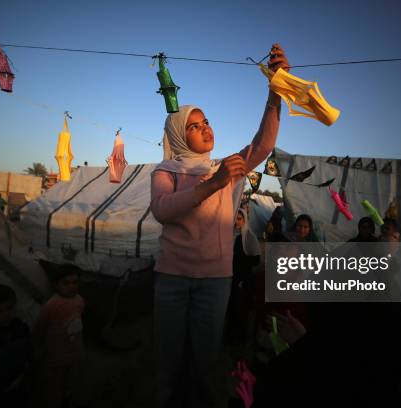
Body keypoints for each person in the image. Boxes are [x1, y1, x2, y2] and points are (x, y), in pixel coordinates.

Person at [150, 43, 289, 408]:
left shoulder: (226, 166)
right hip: (173, 278)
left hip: (215, 279)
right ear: (180, 135)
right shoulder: (167, 170)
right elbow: (162, 210)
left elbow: (264, 142)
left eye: (206, 121)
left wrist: (276, 91)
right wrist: (212, 184)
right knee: (169, 357)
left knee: (205, 357)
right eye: (194, 126)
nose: (205, 129)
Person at [32, 264, 85, 408]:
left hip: (74, 347)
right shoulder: (52, 305)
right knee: (56, 377)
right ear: (56, 285)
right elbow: (40, 326)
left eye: (75, 282)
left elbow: (78, 320)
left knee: (71, 374)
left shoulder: (79, 300)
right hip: (56, 350)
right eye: (66, 283)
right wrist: (38, 346)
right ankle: (55, 399)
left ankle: (67, 394)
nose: (72, 287)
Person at [226, 208, 261, 346]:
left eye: (239, 219)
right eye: (234, 218)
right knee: (231, 307)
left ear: (245, 220)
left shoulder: (249, 237)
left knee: (241, 309)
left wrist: (238, 259)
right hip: (230, 277)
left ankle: (240, 339)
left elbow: (256, 260)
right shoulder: (230, 235)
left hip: (243, 278)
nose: (236, 222)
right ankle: (229, 335)